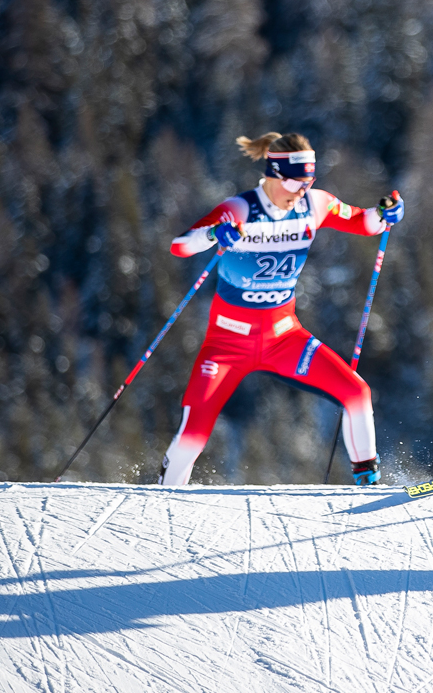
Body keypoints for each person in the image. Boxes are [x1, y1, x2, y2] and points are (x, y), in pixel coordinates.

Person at [158, 132, 404, 486]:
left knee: (357, 392)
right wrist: (213, 235)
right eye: (294, 182)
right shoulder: (240, 208)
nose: (301, 190)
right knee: (194, 432)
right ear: (273, 174)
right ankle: (166, 495)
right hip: (228, 343)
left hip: (284, 337)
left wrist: (385, 213)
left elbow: (363, 221)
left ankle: (367, 482)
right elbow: (180, 246)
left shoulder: (314, 205)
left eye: (309, 182)